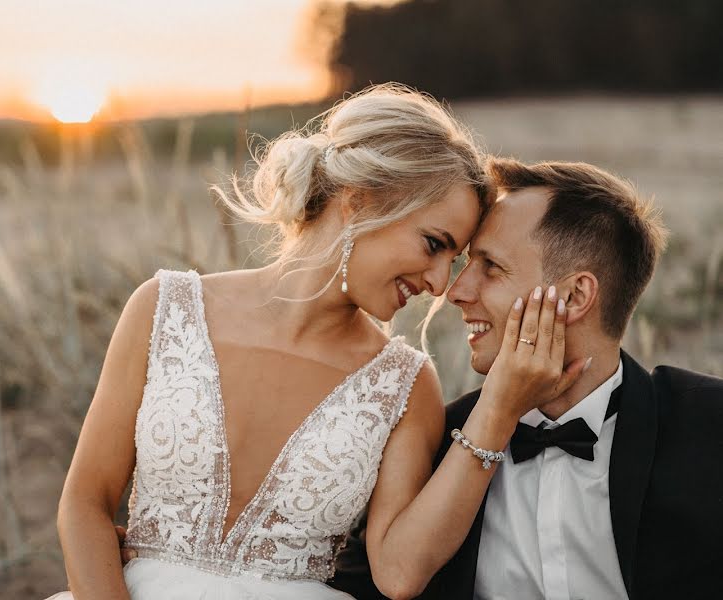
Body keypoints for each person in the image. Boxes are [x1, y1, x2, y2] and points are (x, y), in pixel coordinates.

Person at [47, 84, 586, 600]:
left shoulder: (402, 384)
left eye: (455, 260)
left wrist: (499, 409)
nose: (440, 285)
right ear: (360, 198)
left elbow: (400, 574)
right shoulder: (164, 310)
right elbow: (85, 503)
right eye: (433, 244)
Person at [329, 158, 723, 599]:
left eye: (491, 267)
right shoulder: (434, 442)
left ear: (574, 296)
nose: (455, 292)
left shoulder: (708, 426)